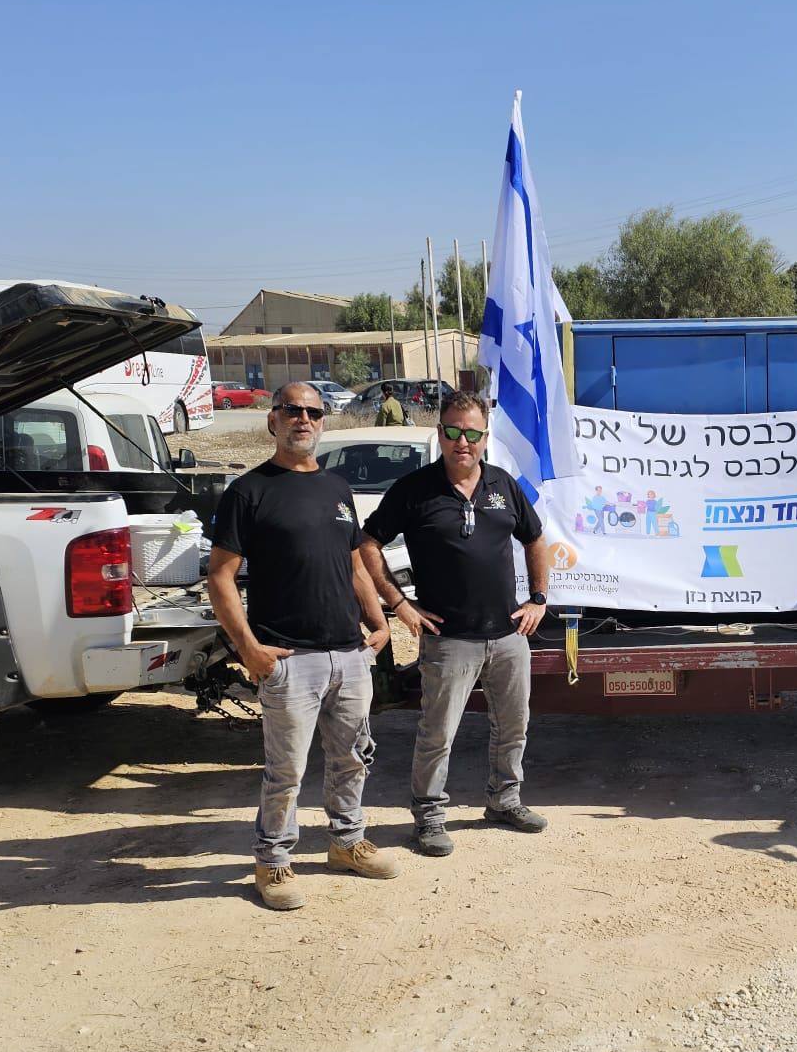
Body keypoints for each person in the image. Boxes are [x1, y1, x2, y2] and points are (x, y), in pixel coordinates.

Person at [207, 383, 398, 910]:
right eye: (293, 410)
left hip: (348, 653)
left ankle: (348, 843)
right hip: (288, 658)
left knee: (351, 759)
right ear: (274, 420)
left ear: (323, 423)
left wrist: (378, 625)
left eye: (314, 412)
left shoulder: (337, 487)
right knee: (286, 769)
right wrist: (249, 648)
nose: (304, 419)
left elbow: (354, 564)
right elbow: (220, 578)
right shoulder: (249, 492)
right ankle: (272, 860)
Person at [360, 391, 551, 857]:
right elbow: (367, 544)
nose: (461, 442)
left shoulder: (503, 485)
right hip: (448, 641)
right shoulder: (414, 489)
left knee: (514, 726)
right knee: (437, 734)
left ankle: (504, 801)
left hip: (507, 636)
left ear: (485, 437)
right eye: (451, 432)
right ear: (440, 433)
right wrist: (400, 604)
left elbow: (537, 539)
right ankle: (428, 817)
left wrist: (539, 600)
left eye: (471, 433)